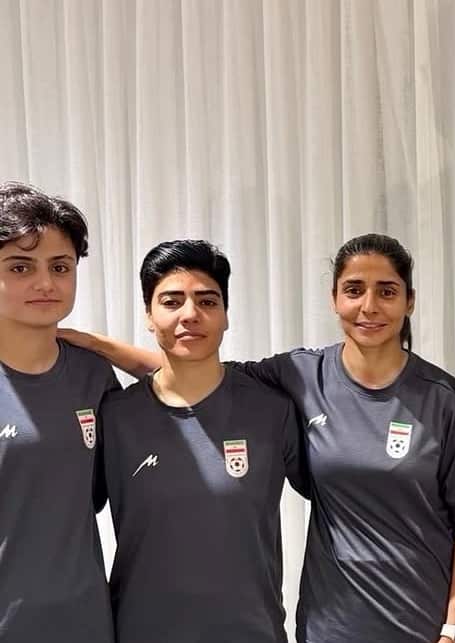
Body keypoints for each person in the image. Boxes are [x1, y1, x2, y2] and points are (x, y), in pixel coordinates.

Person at [64, 233, 455, 643]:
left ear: (409, 301)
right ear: (333, 299)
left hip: (417, 615)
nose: (369, 306)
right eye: (354, 289)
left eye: (386, 291)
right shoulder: (298, 376)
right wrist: (96, 345)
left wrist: (454, 628)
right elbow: (194, 367)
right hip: (327, 623)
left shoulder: (442, 398)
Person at [101, 240, 305, 642]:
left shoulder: (272, 410)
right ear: (148, 315)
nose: (190, 315)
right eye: (172, 301)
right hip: (141, 631)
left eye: (207, 301)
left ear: (226, 315)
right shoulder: (114, 416)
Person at [0, 182, 118, 642]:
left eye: (60, 266)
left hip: (84, 621)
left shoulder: (94, 377)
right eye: (21, 266)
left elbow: (193, 388)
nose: (46, 283)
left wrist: (109, 348)